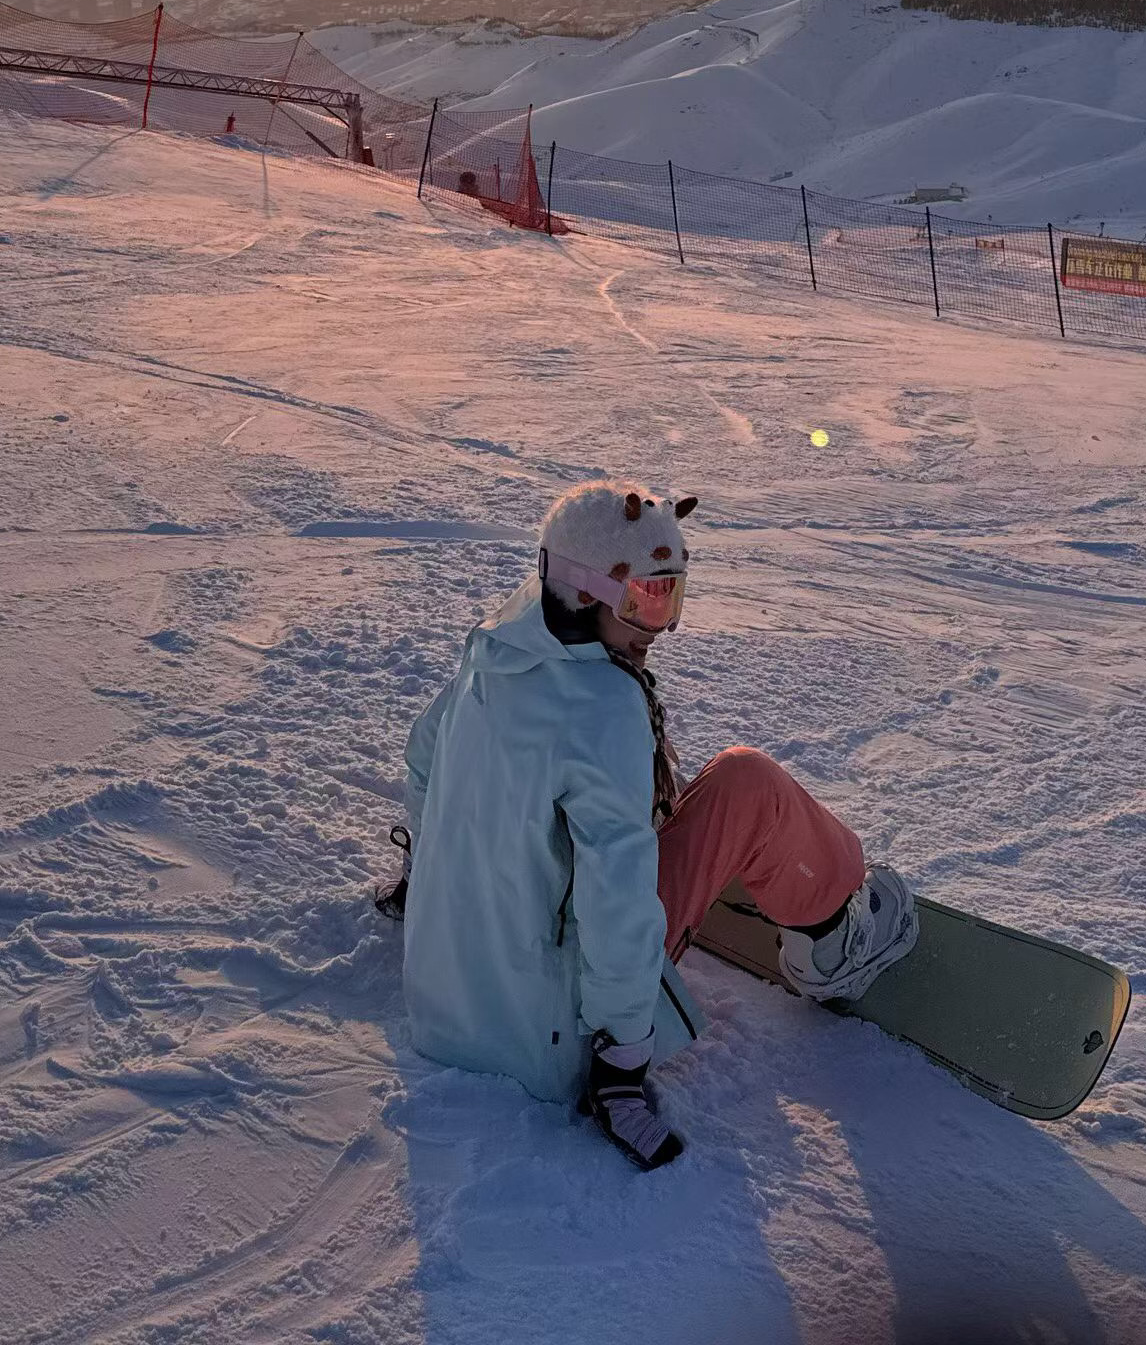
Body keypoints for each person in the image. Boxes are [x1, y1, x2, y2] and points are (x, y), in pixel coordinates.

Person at [375, 480, 917, 1171]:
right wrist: (622, 1056)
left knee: (646, 799)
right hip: (546, 1039)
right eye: (644, 600)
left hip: (448, 1007)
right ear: (581, 591)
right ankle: (836, 943)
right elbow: (616, 901)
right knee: (746, 783)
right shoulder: (601, 706)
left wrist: (433, 875)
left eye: (673, 597)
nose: (660, 627)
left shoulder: (496, 649)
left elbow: (424, 760)